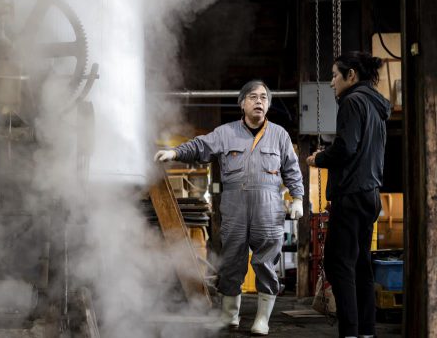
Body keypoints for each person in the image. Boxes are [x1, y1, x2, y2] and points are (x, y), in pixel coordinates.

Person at [155, 80, 304, 336]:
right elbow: (200, 145)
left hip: (268, 207)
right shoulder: (226, 133)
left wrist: (298, 197)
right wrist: (175, 153)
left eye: (264, 98)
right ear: (242, 103)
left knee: (266, 261)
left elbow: (292, 169)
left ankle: (262, 319)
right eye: (254, 97)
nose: (259, 101)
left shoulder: (280, 135)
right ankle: (229, 315)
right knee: (232, 259)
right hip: (234, 205)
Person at [306, 51, 389, 338]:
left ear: (350, 75)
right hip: (370, 194)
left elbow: (346, 148)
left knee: (338, 264)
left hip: (351, 194)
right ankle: (366, 332)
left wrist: (319, 158)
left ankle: (350, 333)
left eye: (334, 75)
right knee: (361, 264)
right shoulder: (375, 106)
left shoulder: (353, 102)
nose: (331, 82)